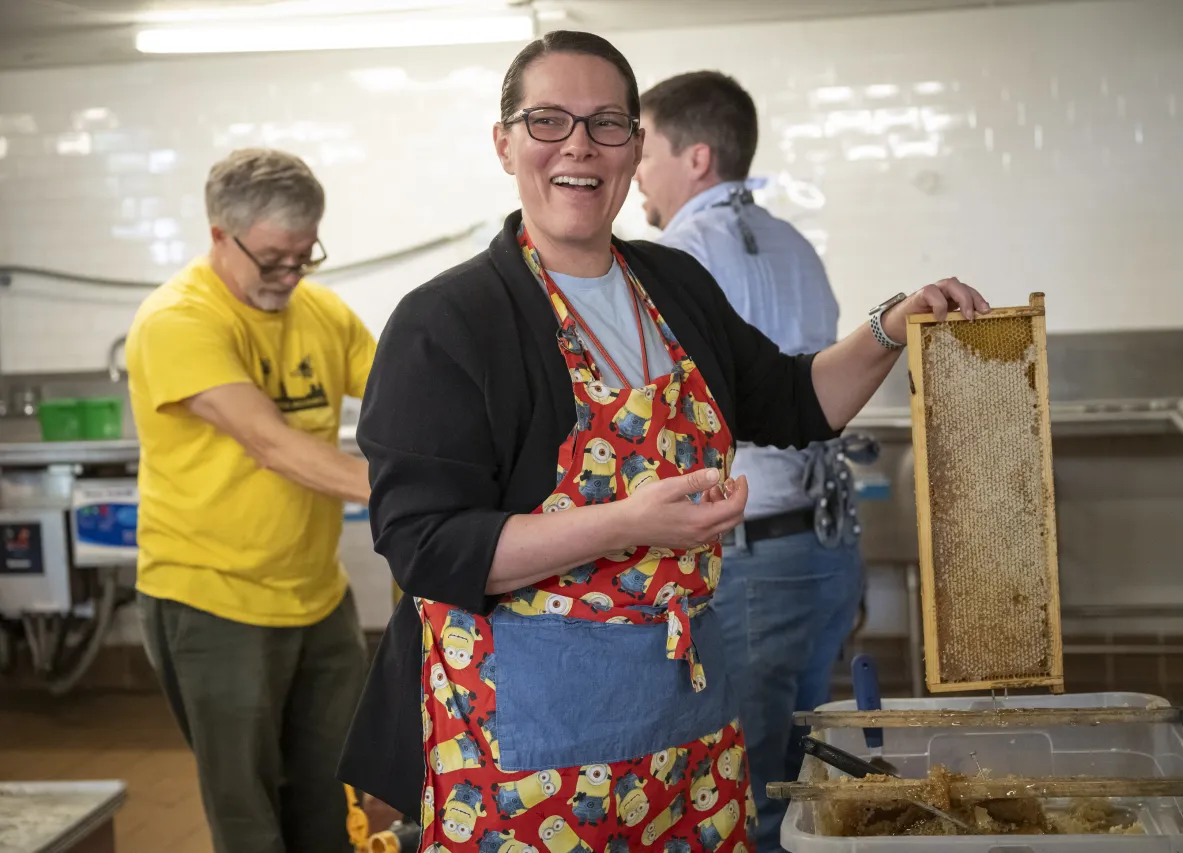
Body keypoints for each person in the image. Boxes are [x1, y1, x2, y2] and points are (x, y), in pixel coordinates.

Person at [338, 30, 989, 851]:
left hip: (683, 732)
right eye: (548, 121)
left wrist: (892, 326)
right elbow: (425, 545)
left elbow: (792, 400)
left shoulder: (670, 283)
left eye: (607, 123)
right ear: (504, 144)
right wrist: (628, 522)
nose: (578, 144)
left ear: (636, 149)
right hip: (523, 756)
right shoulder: (449, 321)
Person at [634, 70, 867, 852]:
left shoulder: (676, 258)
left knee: (752, 785)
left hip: (757, 558)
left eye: (645, 147)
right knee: (802, 774)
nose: (634, 167)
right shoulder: (795, 242)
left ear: (696, 158)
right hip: (826, 550)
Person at [126, 147, 377, 853]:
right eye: (273, 258)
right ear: (218, 235)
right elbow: (270, 443)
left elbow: (405, 396)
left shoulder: (321, 311)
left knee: (330, 798)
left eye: (305, 255)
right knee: (250, 816)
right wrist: (410, 499)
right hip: (212, 600)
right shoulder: (178, 320)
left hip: (319, 597)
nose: (291, 275)